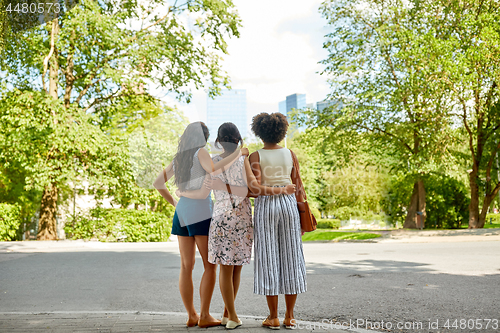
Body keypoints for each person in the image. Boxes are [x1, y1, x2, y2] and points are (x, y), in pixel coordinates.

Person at [178, 122, 296, 330]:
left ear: (218, 141)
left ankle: (229, 314)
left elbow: (207, 188)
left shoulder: (212, 162)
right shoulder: (243, 160)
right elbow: (250, 189)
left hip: (220, 218)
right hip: (240, 217)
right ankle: (229, 314)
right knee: (236, 270)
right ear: (238, 139)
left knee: (225, 268)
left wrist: (184, 193)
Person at [153, 121, 248, 328]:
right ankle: (205, 315)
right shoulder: (200, 152)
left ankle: (191, 315)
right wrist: (238, 154)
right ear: (203, 137)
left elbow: (158, 183)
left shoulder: (179, 158)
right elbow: (213, 168)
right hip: (199, 211)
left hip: (182, 212)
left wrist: (175, 201)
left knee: (186, 266)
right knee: (210, 265)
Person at [248, 112, 307, 330]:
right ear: (281, 132)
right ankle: (290, 317)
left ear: (260, 132)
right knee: (292, 257)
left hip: (266, 206)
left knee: (268, 258)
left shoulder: (255, 156)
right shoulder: (290, 154)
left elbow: (255, 189)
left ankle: (272, 317)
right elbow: (298, 185)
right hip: (289, 204)